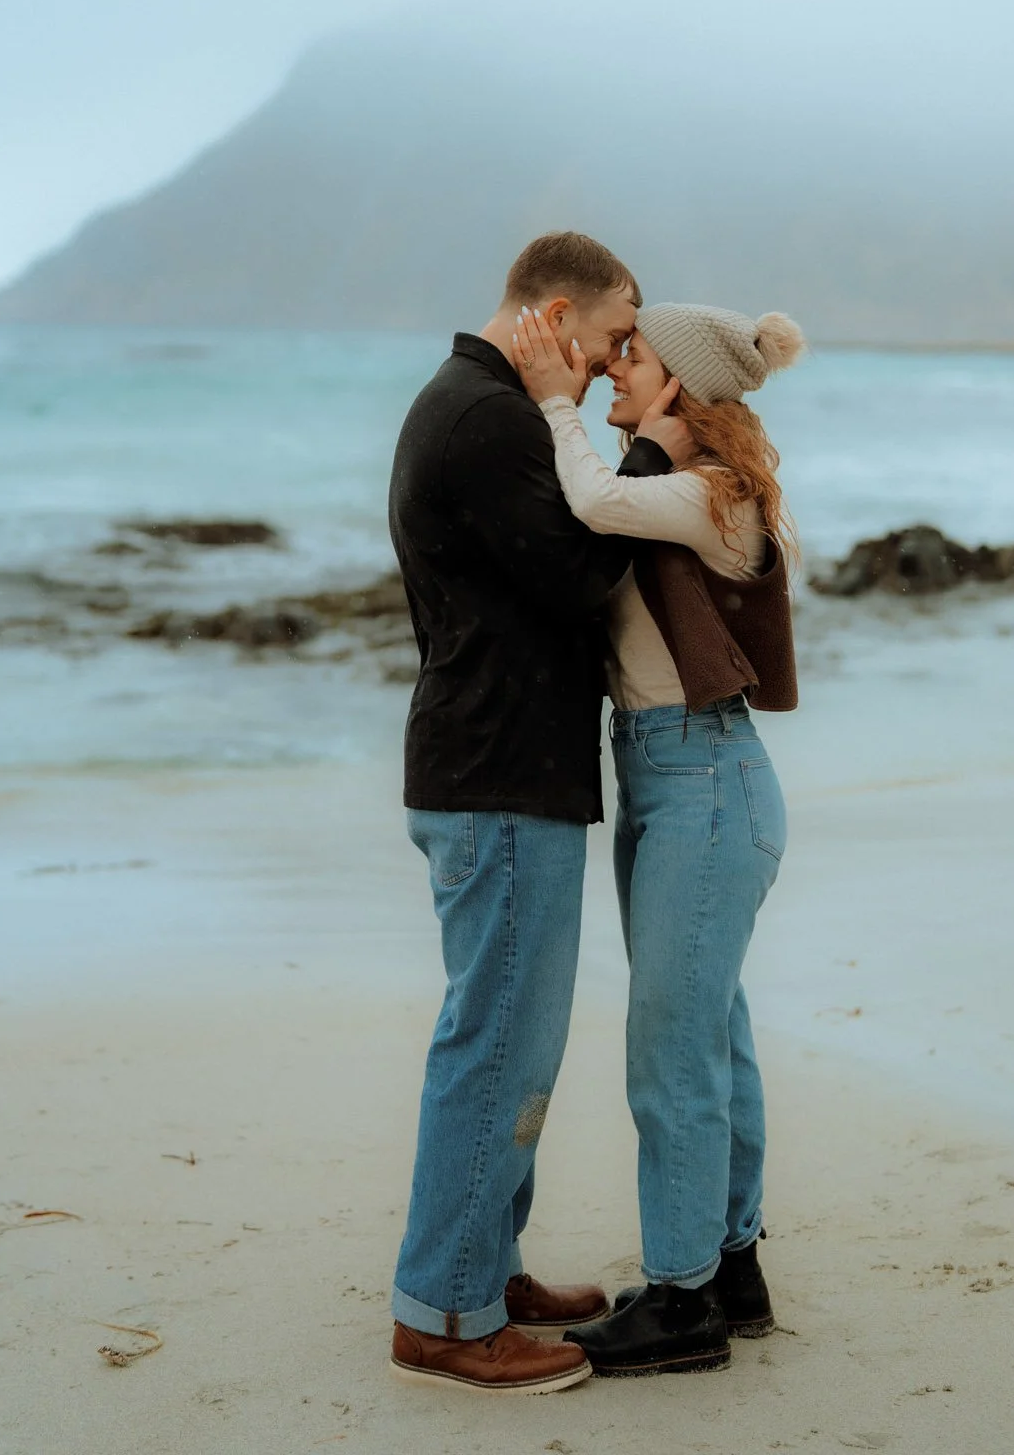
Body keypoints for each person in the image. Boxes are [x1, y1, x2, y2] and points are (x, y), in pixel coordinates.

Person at [386, 232, 688, 1394]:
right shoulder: (492, 420)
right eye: (613, 337)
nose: (617, 360)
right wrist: (631, 441)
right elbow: (585, 567)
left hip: (496, 769)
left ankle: (483, 1266)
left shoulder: (469, 406)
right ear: (556, 318)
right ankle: (446, 1314)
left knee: (510, 1036)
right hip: (498, 775)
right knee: (499, 1042)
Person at [510, 297, 803, 1376]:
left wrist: (551, 403)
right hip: (671, 779)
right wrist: (626, 432)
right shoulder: (677, 482)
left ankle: (680, 1304)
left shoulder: (705, 495)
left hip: (706, 785)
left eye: (630, 356)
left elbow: (589, 499)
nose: (610, 367)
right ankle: (731, 1269)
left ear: (680, 384)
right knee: (712, 1032)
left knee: (672, 1050)